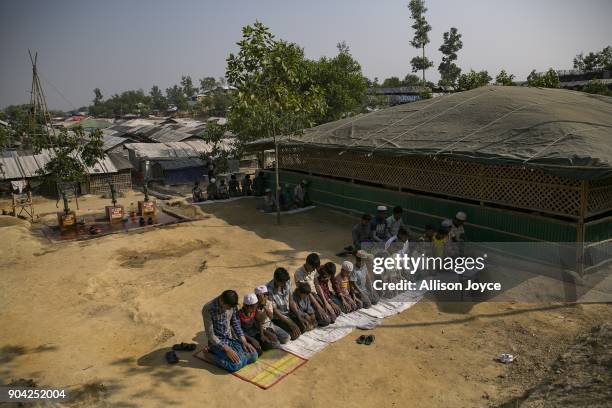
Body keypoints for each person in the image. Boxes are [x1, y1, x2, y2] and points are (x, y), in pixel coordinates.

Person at [201, 290, 258, 372]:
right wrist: (227, 349)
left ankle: (240, 358)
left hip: (230, 339)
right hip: (217, 343)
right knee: (236, 365)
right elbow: (210, 335)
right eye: (228, 307)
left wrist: (244, 341)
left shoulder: (232, 305)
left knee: (254, 355)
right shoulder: (208, 309)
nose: (230, 309)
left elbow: (236, 323)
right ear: (223, 303)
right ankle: (210, 355)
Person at [294, 253, 331, 326]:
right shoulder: (298, 273)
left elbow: (317, 285)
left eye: (315, 268)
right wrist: (318, 307)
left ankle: (316, 316)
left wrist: (325, 302)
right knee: (326, 321)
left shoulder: (313, 270)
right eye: (313, 268)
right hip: (307, 298)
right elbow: (307, 293)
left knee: (332, 316)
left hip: (315, 295)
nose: (314, 270)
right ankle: (311, 315)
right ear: (307, 264)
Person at [266, 267, 302, 340]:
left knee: (304, 326)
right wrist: (290, 323)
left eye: (286, 282)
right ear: (276, 280)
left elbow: (291, 301)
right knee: (294, 335)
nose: (285, 284)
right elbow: (275, 311)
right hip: (278, 318)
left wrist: (299, 315)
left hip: (288, 313)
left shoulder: (287, 282)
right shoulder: (268, 289)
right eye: (282, 283)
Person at [254, 285, 290, 350]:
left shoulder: (268, 303)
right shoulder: (254, 306)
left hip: (270, 325)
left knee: (287, 338)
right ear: (258, 296)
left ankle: (273, 338)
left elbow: (271, 317)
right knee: (276, 343)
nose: (266, 296)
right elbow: (257, 322)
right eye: (264, 295)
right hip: (261, 328)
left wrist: (264, 306)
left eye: (267, 294)